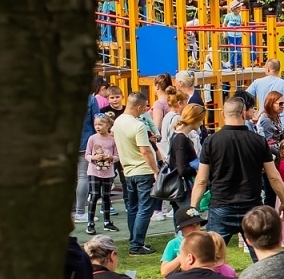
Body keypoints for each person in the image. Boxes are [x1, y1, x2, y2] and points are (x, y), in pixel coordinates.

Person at [192, 99, 284, 249]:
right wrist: (283, 201)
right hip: (251, 205)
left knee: (210, 255)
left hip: (221, 205)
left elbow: (201, 180)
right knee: (261, 255)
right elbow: (273, 176)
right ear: (244, 114)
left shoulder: (211, 141)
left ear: (223, 115)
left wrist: (193, 207)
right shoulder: (258, 141)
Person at [112, 90, 161, 255]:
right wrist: (156, 171)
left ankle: (134, 241)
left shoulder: (118, 122)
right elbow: (145, 151)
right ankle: (136, 244)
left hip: (127, 171)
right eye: (144, 107)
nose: (145, 110)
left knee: (132, 208)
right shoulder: (138, 125)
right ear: (139, 106)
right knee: (145, 208)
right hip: (143, 170)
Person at [84, 113, 120, 235]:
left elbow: (117, 156)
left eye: (100, 124)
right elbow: (87, 155)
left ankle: (107, 222)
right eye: (96, 124)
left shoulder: (112, 140)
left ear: (108, 125)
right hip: (94, 172)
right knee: (94, 195)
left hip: (108, 172)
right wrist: (94, 158)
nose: (98, 127)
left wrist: (110, 157)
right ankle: (90, 223)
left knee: (106, 196)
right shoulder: (92, 138)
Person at [166, 103, 205, 213]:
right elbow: (182, 169)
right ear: (195, 120)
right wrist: (198, 167)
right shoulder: (181, 139)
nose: (202, 123)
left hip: (178, 186)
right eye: (201, 120)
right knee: (187, 218)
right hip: (183, 187)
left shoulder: (177, 135)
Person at [248, 57, 284, 133]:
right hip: (281, 123)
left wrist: (252, 114)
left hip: (263, 120)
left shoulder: (257, 82)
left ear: (268, 69)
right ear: (278, 70)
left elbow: (245, 97)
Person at [159, 205, 209, 278]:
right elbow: (164, 272)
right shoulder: (174, 244)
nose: (196, 227)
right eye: (190, 225)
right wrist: (182, 256)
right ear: (181, 227)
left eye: (197, 224)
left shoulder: (206, 241)